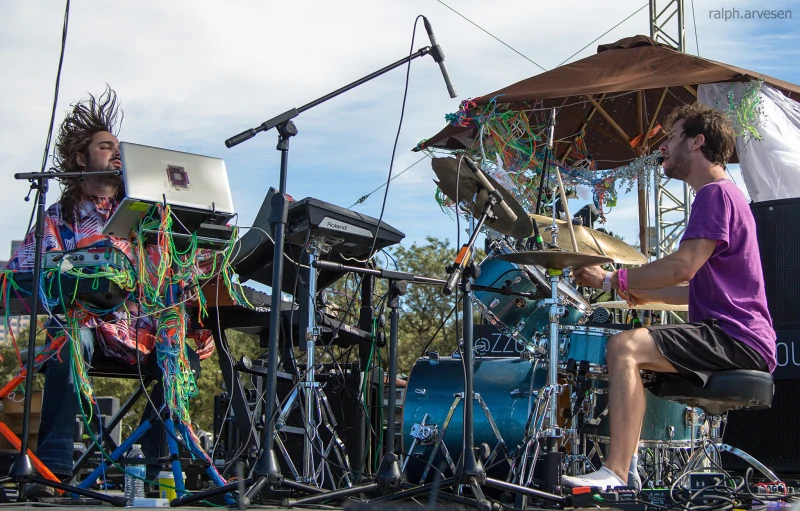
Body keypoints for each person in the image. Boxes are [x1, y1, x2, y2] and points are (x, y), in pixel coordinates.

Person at [5, 87, 214, 494]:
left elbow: (181, 268)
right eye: (105, 147)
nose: (116, 154)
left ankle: (154, 469)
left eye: (119, 148)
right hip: (86, 330)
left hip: (140, 334)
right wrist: (76, 263)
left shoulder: (146, 216)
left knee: (183, 356)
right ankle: (53, 471)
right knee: (67, 336)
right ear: (81, 159)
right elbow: (23, 270)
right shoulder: (58, 217)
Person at [564, 104, 776, 489]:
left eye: (672, 136)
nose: (663, 145)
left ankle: (616, 472)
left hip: (735, 338)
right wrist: (637, 292)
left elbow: (683, 266)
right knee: (632, 351)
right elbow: (691, 289)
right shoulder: (727, 196)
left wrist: (615, 279)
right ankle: (626, 469)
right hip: (738, 335)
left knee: (623, 347)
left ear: (697, 142)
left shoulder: (715, 196)